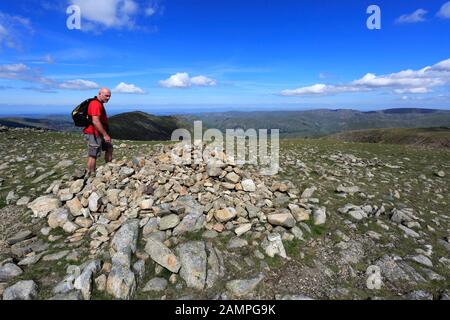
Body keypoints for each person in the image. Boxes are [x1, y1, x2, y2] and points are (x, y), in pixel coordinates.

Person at [83, 87, 113, 174]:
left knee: (109, 147)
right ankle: (90, 175)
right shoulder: (95, 104)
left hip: (99, 133)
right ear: (99, 94)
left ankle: (109, 168)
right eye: (106, 96)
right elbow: (95, 121)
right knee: (93, 155)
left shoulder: (99, 103)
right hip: (93, 133)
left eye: (109, 96)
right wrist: (105, 135)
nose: (108, 98)